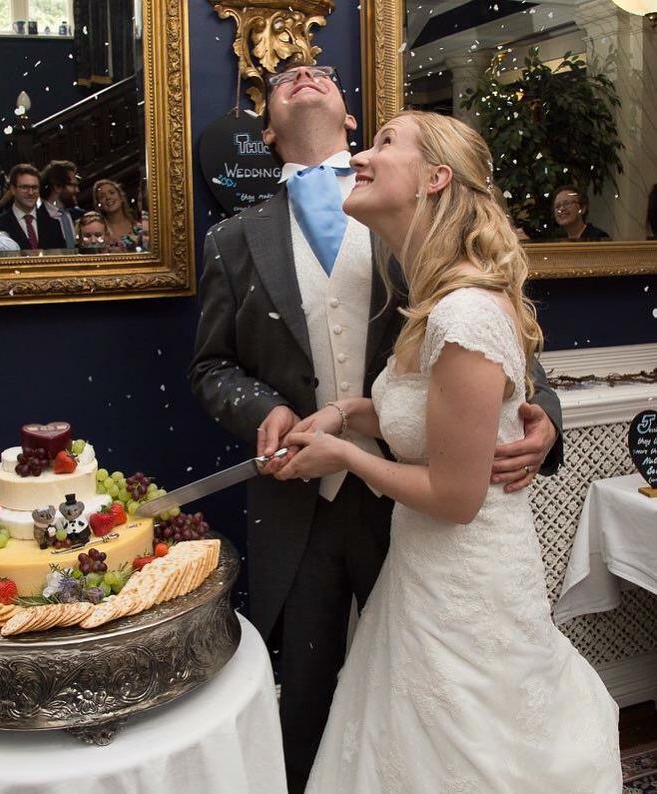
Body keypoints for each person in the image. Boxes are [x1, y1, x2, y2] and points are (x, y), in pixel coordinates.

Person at [188, 63, 563, 793]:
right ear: (266, 131)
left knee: (441, 716)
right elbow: (211, 368)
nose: (305, 69)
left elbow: (500, 335)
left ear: (354, 126)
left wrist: (542, 412)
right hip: (300, 510)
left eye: (323, 71)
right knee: (311, 705)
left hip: (420, 517)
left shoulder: (407, 213)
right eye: (286, 78)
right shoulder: (234, 240)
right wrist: (266, 410)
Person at [271, 110, 621, 793]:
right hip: (422, 580)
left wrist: (343, 455)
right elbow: (417, 419)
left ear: (435, 179)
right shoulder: (435, 299)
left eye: (384, 142)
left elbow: (457, 499)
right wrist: (345, 411)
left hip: (468, 586)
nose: (362, 157)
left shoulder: (462, 314)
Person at [0, 164, 67, 250]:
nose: (31, 193)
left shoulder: (53, 224)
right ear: (13, 189)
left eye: (34, 188)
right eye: (25, 187)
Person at [40, 160, 83, 248]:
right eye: (73, 185)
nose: (77, 190)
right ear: (57, 187)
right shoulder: (37, 221)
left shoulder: (81, 216)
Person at [93, 179, 142, 250]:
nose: (108, 197)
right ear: (99, 205)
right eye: (102, 197)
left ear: (121, 197)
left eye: (112, 193)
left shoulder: (140, 229)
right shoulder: (98, 234)